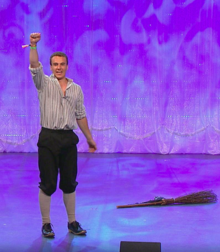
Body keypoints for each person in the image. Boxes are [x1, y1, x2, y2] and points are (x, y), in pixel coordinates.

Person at [29, 32, 97, 238]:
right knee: (48, 183)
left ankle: (72, 222)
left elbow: (80, 115)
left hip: (68, 139)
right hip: (48, 139)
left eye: (62, 64)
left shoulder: (76, 89)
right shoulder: (44, 84)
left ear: (67, 66)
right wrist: (33, 46)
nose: (58, 67)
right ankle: (46, 224)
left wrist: (89, 138)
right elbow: (34, 65)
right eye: (55, 64)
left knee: (69, 183)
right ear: (50, 67)